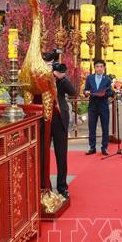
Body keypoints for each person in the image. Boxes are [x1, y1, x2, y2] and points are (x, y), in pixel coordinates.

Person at [49, 62, 76, 199]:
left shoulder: (62, 81)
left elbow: (73, 92)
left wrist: (62, 78)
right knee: (43, 155)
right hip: (45, 120)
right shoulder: (42, 77)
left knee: (61, 155)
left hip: (59, 120)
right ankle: (45, 186)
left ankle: (62, 186)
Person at [83, 59, 113, 155]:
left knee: (105, 127)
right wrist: (86, 93)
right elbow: (85, 90)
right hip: (93, 105)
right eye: (97, 66)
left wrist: (105, 94)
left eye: (101, 66)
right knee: (92, 127)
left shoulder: (107, 79)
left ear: (104, 68)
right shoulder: (90, 78)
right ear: (94, 68)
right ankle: (92, 147)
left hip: (103, 105)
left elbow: (111, 92)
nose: (99, 68)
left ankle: (104, 147)